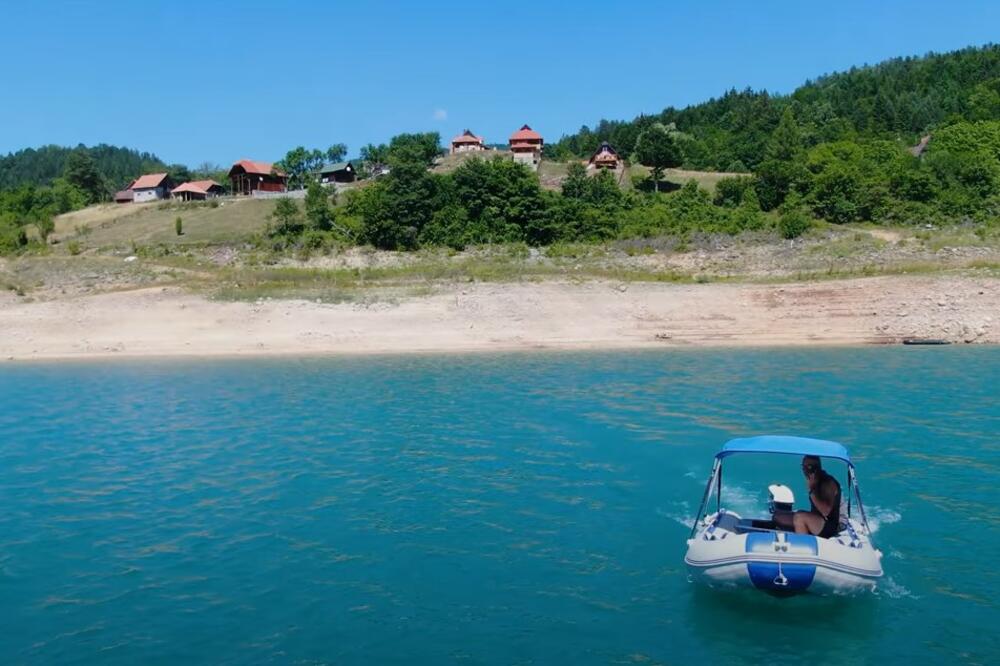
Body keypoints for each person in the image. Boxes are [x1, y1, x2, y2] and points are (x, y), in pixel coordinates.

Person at [791, 455, 842, 538]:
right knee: (779, 516)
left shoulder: (828, 483)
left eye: (807, 467)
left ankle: (803, 547)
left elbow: (825, 512)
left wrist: (811, 490)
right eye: (803, 467)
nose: (804, 470)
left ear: (815, 468)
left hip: (829, 526)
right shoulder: (815, 480)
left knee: (799, 517)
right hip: (816, 520)